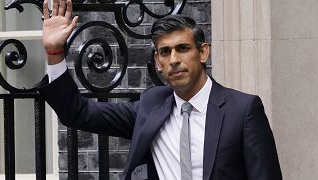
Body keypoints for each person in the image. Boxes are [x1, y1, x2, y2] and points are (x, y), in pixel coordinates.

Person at [39, 0, 282, 179]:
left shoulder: (243, 109)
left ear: (203, 52)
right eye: (165, 52)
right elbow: (78, 113)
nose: (174, 59)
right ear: (158, 61)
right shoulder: (151, 106)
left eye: (183, 48)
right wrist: (54, 52)